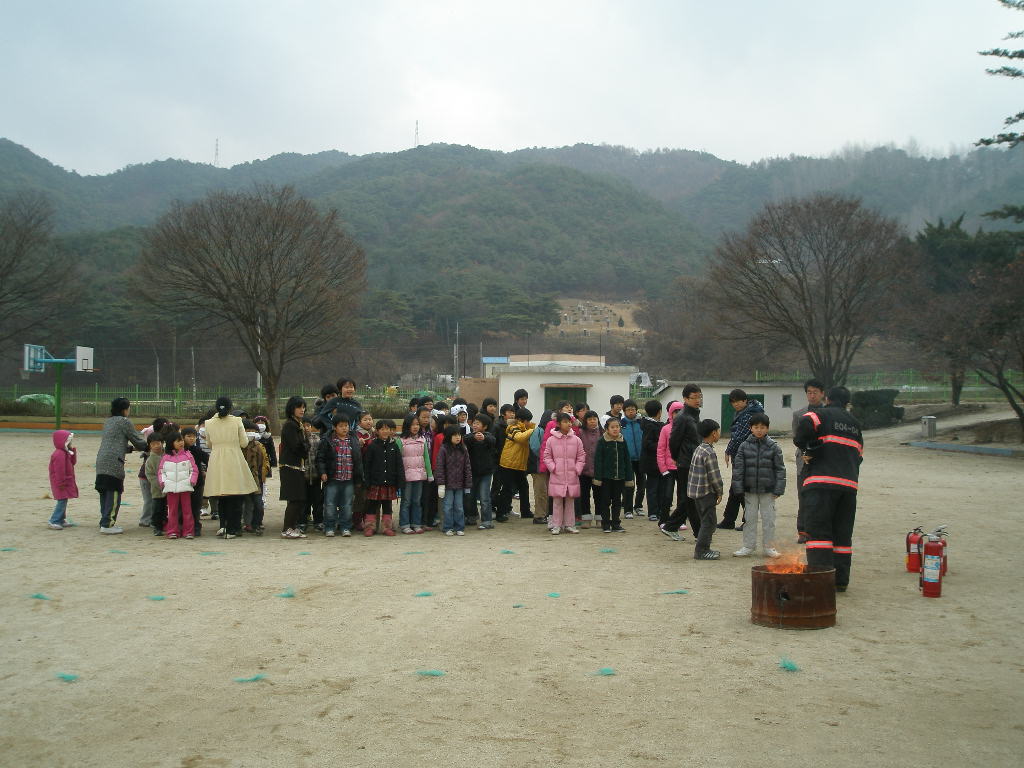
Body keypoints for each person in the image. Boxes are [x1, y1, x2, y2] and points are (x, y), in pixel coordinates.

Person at [794, 386, 863, 592]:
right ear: (847, 403)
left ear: (827, 399)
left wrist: (809, 448)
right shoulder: (855, 424)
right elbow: (859, 455)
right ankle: (840, 581)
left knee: (819, 534)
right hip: (848, 487)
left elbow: (802, 430)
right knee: (842, 536)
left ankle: (820, 580)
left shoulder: (819, 414)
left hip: (821, 483)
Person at [730, 413, 785, 558]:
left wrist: (779, 489)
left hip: (768, 490)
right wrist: (738, 488)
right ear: (751, 428)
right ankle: (748, 546)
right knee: (749, 519)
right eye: (756, 427)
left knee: (769, 520)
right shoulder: (743, 446)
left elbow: (780, 469)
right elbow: (738, 469)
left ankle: (769, 547)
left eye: (762, 427)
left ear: (767, 428)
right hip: (750, 490)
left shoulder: (774, 447)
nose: (759, 430)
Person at [205, 396, 259, 540]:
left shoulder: (209, 423)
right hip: (234, 457)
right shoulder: (237, 421)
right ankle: (233, 528)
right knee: (236, 495)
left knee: (221, 494)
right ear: (230, 408)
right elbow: (244, 443)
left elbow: (209, 444)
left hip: (217, 459)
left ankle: (223, 526)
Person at [94, 397, 147, 534]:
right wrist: (151, 446)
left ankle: (104, 521)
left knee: (104, 491)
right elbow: (137, 440)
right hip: (114, 462)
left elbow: (114, 442)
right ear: (124, 409)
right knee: (113, 492)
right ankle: (108, 525)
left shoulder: (108, 421)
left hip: (101, 460)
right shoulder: (124, 421)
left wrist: (130, 449)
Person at [720, 389, 764, 530]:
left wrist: (728, 450)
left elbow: (740, 436)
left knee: (742, 488)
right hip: (742, 454)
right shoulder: (745, 412)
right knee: (736, 487)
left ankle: (748, 521)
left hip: (746, 455)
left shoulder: (749, 414)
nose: (736, 404)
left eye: (738, 401)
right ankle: (729, 519)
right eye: (733, 402)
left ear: (745, 400)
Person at [663, 385, 702, 539]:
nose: (698, 400)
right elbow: (674, 441)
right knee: (689, 497)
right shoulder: (682, 417)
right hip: (685, 462)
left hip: (695, 460)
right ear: (685, 399)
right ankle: (672, 526)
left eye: (699, 396)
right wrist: (676, 457)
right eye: (694, 397)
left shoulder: (694, 415)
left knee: (691, 498)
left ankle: (696, 531)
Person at [791, 378, 826, 543]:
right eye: (809, 392)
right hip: (804, 460)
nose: (812, 396)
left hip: (824, 460)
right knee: (803, 496)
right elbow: (796, 437)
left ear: (822, 393)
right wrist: (806, 451)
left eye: (815, 392)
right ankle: (803, 531)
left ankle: (820, 530)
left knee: (823, 496)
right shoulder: (799, 414)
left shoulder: (828, 413)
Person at [317, 416, 364, 537]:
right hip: (332, 478)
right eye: (341, 426)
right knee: (330, 504)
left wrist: (358, 477)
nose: (344, 428)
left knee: (347, 505)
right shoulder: (328, 440)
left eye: (346, 426)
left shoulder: (353, 440)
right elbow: (320, 458)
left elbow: (358, 460)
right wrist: (323, 472)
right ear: (334, 427)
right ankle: (329, 527)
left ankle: (345, 527)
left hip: (349, 479)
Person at [543, 412, 586, 535]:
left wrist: (577, 469)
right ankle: (556, 525)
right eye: (565, 422)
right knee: (557, 501)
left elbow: (581, 456)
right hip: (557, 475)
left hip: (572, 475)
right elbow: (547, 456)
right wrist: (553, 468)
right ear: (558, 424)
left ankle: (569, 525)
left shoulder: (576, 440)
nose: (569, 424)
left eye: (570, 422)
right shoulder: (551, 440)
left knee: (570, 501)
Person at [688, 419, 724, 560]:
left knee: (706, 521)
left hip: (696, 492)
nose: (719, 433)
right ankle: (702, 551)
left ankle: (705, 549)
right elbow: (714, 475)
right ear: (714, 433)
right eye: (718, 431)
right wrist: (719, 491)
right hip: (706, 493)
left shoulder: (699, 448)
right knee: (709, 523)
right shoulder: (709, 452)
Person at [362, 419, 404, 537]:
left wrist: (400, 481)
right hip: (375, 482)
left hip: (389, 482)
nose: (385, 431)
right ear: (377, 431)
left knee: (387, 506)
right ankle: (370, 527)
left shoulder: (394, 445)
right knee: (372, 505)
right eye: (382, 429)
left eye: (388, 429)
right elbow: (367, 465)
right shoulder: (372, 445)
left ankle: (387, 527)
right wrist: (367, 481)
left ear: (391, 431)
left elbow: (399, 465)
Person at [593, 417, 634, 533]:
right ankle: (606, 524)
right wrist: (598, 478)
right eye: (612, 427)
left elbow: (627, 460)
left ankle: (616, 523)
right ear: (607, 429)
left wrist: (629, 477)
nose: (615, 429)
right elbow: (598, 461)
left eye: (617, 427)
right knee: (605, 501)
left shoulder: (622, 441)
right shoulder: (602, 441)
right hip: (606, 478)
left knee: (617, 501)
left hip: (620, 477)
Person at [493, 408, 535, 521]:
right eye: (527, 421)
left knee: (524, 487)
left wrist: (530, 428)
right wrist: (532, 429)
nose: (529, 423)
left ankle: (525, 511)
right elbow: (520, 438)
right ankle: (500, 513)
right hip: (508, 464)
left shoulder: (524, 429)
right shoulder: (513, 428)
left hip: (519, 464)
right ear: (520, 420)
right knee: (507, 489)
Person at [159, 431, 199, 540]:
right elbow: (161, 472)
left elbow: (194, 470)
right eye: (178, 441)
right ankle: (172, 531)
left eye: (181, 440)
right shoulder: (166, 457)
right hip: (171, 489)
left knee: (187, 510)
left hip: (185, 488)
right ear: (171, 443)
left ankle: (188, 531)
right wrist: (163, 482)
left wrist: (192, 481)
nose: (181, 443)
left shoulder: (188, 455)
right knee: (172, 511)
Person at [278, 396, 309, 539]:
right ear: (292, 408)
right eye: (299, 407)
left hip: (297, 466)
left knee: (299, 498)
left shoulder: (298, 424)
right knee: (294, 498)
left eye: (303, 407)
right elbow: (296, 446)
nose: (302, 410)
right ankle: (287, 528)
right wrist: (306, 447)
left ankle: (292, 526)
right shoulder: (290, 425)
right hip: (290, 466)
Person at [397, 413, 432, 534]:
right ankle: (405, 524)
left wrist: (429, 474)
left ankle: (416, 524)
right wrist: (399, 476)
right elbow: (398, 460)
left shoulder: (422, 440)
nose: (415, 427)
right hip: (406, 476)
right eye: (412, 425)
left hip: (419, 475)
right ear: (407, 426)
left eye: (417, 424)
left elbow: (426, 458)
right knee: (406, 501)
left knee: (417, 501)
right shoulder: (400, 441)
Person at [435, 425, 472, 536]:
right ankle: (448, 527)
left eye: (459, 435)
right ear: (449, 436)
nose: (458, 437)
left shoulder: (463, 449)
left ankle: (459, 527)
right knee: (448, 507)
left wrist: (468, 484)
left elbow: (467, 467)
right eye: (455, 435)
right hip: (448, 485)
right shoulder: (444, 449)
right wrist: (441, 484)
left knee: (459, 507)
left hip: (460, 484)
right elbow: (440, 467)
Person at [655, 402, 684, 533]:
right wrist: (663, 468)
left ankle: (679, 520)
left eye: (680, 411)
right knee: (667, 496)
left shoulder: (687, 428)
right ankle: (663, 520)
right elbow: (660, 449)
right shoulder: (665, 429)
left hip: (683, 467)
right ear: (670, 413)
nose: (678, 414)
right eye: (675, 412)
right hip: (669, 469)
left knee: (682, 496)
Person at [466, 412, 497, 529]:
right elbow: (465, 439)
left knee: (484, 497)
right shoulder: (470, 437)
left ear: (485, 427)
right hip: (472, 472)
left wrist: (484, 438)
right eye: (474, 423)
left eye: (478, 423)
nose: (475, 425)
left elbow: (492, 440)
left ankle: (487, 520)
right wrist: (473, 437)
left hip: (486, 473)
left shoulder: (489, 436)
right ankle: (472, 517)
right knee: (470, 496)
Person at [241, 420, 269, 534]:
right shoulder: (239, 446)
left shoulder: (259, 446)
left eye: (253, 431)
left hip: (256, 479)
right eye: (248, 430)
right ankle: (247, 523)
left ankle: (257, 523)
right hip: (242, 479)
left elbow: (264, 461)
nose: (251, 433)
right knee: (245, 503)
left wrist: (263, 474)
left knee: (258, 504)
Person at [619, 399, 645, 518]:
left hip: (641, 458)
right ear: (624, 411)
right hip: (627, 459)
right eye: (628, 410)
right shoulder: (621, 424)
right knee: (629, 485)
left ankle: (638, 506)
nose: (631, 412)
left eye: (633, 409)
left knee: (642, 484)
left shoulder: (641, 423)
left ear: (636, 410)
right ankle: (628, 509)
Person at [639, 400, 664, 523]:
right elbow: (647, 444)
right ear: (659, 412)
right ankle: (653, 512)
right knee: (653, 488)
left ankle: (659, 510)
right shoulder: (649, 426)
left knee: (660, 488)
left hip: (660, 463)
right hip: (651, 463)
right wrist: (661, 446)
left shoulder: (659, 424)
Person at [47, 429, 78, 529]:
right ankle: (54, 520)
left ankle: (61, 519)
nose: (70, 443)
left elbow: (73, 463)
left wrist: (72, 452)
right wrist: (61, 483)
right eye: (68, 441)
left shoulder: (65, 452)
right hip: (60, 482)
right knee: (62, 500)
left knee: (64, 499)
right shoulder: (59, 454)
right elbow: (59, 470)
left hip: (65, 481)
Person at [577, 410, 603, 528]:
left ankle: (599, 518)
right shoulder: (580, 433)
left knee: (599, 495)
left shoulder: (602, 432)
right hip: (584, 470)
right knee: (584, 495)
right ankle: (586, 518)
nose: (592, 421)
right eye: (589, 419)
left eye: (594, 419)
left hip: (599, 470)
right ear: (585, 421)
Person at [181, 427, 206, 537]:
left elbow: (208, 460)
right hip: (182, 483)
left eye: (194, 436)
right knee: (182, 507)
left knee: (196, 506)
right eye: (189, 436)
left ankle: (196, 527)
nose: (192, 439)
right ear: (182, 437)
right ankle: (182, 526)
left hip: (197, 483)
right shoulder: (179, 451)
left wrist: (205, 471)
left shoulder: (197, 450)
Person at [144, 433, 167, 535]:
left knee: (166, 509)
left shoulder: (167, 455)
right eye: (153, 444)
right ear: (150, 446)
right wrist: (160, 484)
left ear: (162, 443)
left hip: (169, 487)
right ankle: (157, 527)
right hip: (157, 490)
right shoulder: (150, 460)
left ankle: (165, 525)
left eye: (158, 443)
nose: (156, 446)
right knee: (157, 508)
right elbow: (150, 475)